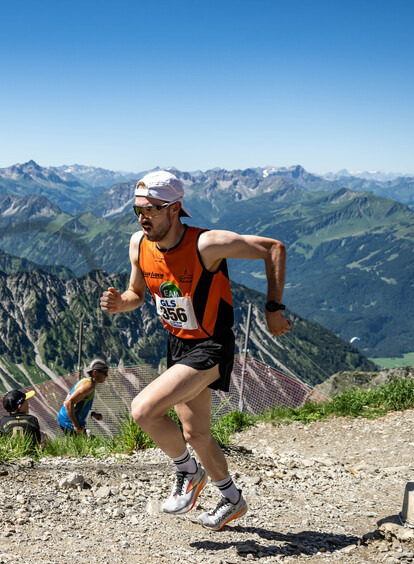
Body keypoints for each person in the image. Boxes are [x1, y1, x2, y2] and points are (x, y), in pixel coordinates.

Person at [100, 170, 291, 531]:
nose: (143, 218)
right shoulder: (139, 244)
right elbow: (136, 294)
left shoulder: (206, 245)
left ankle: (187, 471)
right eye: (138, 210)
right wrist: (120, 304)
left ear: (175, 209)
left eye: (152, 210)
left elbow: (273, 248)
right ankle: (232, 499)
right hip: (178, 344)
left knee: (143, 410)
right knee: (196, 434)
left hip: (211, 345)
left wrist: (273, 308)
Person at [57, 359, 108, 435]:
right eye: (104, 372)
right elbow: (68, 403)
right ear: (95, 372)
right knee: (90, 441)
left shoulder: (87, 382)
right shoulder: (88, 386)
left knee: (89, 440)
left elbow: (80, 403)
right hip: (68, 422)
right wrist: (76, 426)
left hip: (66, 419)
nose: (106, 375)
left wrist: (92, 413)